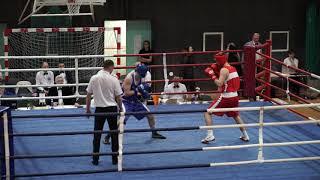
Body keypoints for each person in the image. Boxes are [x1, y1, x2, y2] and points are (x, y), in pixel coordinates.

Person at [103, 63, 166, 145]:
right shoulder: (129, 78)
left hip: (135, 100)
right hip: (125, 101)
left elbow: (142, 90)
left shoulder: (142, 77)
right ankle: (107, 136)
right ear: (138, 72)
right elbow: (126, 93)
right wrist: (138, 90)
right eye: (141, 74)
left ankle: (154, 132)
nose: (142, 76)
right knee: (122, 121)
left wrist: (144, 93)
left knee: (150, 115)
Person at [202, 53, 249, 144]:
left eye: (216, 61)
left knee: (207, 113)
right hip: (235, 96)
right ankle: (245, 135)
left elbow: (219, 83)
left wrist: (213, 75)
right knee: (235, 115)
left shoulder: (224, 70)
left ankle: (210, 135)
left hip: (227, 97)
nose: (216, 62)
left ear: (219, 61)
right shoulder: (233, 68)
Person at [86, 60, 123, 166]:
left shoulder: (94, 78)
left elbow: (88, 95)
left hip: (99, 109)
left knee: (97, 135)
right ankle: (115, 160)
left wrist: (88, 109)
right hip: (111, 109)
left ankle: (95, 160)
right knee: (114, 134)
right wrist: (120, 108)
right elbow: (118, 97)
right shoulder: (114, 79)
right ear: (111, 67)